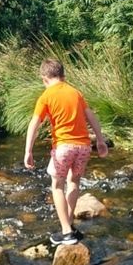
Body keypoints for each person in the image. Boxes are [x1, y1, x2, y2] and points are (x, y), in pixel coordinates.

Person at [23, 58, 108, 245]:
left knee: (57, 186)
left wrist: (28, 150)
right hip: (84, 146)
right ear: (63, 76)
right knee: (74, 182)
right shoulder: (75, 92)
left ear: (44, 78)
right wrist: (100, 140)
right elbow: (90, 116)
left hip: (64, 147)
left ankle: (66, 232)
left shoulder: (46, 96)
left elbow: (34, 124)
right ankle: (69, 224)